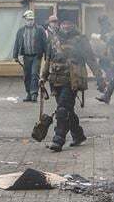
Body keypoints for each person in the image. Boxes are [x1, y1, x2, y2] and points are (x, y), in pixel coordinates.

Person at [39, 18, 101, 152]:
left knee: (62, 109)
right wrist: (43, 77)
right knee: (68, 110)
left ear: (73, 24)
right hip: (56, 80)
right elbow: (48, 59)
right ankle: (78, 135)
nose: (66, 26)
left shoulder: (80, 39)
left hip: (73, 80)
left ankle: (58, 140)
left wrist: (99, 78)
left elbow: (90, 58)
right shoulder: (53, 39)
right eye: (63, 23)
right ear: (60, 25)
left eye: (69, 23)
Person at [12, 9, 48, 102]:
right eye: (28, 19)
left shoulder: (40, 30)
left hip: (36, 56)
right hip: (26, 56)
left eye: (31, 19)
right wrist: (15, 55)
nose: (30, 21)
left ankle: (34, 94)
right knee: (27, 75)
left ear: (34, 20)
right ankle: (28, 93)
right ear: (25, 20)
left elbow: (45, 43)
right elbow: (17, 43)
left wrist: (47, 55)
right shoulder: (21, 31)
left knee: (34, 74)